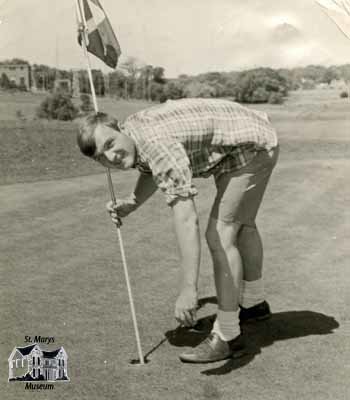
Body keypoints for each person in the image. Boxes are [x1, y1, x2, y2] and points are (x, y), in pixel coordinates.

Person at [77, 98, 279, 364]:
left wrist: (188, 290)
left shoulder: (155, 143)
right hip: (243, 139)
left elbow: (186, 218)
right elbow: (151, 168)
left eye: (110, 144)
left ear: (119, 128)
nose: (111, 157)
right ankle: (253, 305)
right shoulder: (135, 134)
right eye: (102, 157)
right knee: (243, 225)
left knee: (219, 234)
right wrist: (133, 202)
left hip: (252, 147)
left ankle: (228, 336)